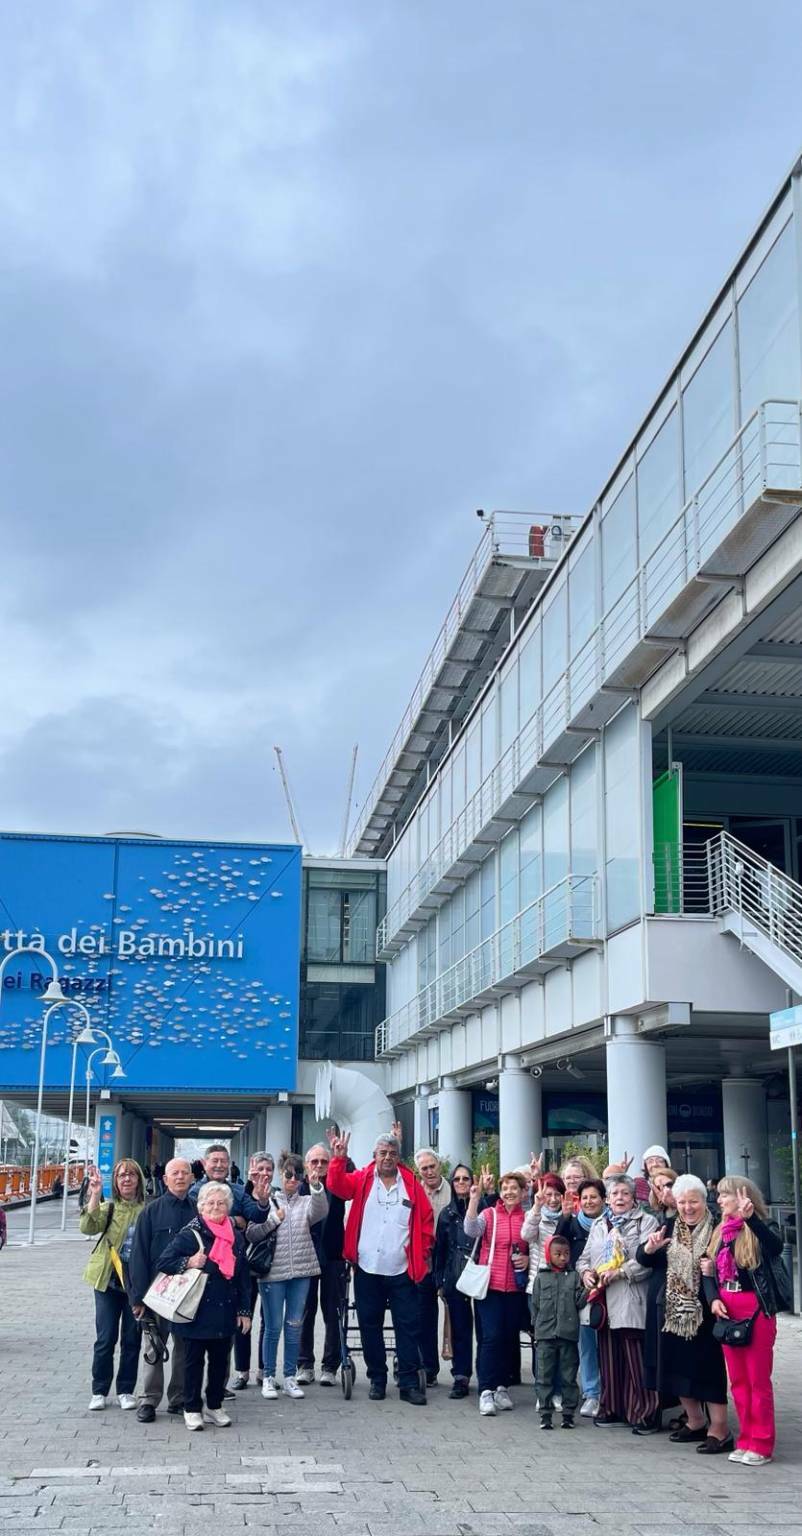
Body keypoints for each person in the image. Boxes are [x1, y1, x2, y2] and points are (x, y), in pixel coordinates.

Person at [327, 1129, 433, 1406]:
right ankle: (377, 1378)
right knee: (369, 1325)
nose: (388, 1157)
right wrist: (339, 1159)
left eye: (393, 1153)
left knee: (408, 1327)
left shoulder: (411, 1183)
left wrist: (422, 1253)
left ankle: (409, 1383)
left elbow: (426, 1222)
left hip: (402, 1269)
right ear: (374, 1156)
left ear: (399, 1157)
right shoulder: (362, 1179)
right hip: (367, 1269)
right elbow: (337, 1186)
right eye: (383, 1153)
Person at [637, 1173, 730, 1450]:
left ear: (705, 1201)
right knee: (676, 1367)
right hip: (672, 1313)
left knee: (708, 1370)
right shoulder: (668, 1226)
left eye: (694, 1202)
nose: (688, 1208)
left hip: (706, 1312)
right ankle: (695, 1421)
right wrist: (649, 1248)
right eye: (682, 1202)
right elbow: (644, 1259)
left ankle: (720, 1428)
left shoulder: (718, 1229)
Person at [701, 1176, 785, 1466]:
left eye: (725, 1195)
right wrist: (713, 1298)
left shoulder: (761, 1227)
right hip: (727, 1304)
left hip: (755, 1306)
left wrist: (752, 1221)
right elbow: (707, 1270)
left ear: (743, 1197)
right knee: (737, 1380)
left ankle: (761, 1443)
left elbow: (775, 1248)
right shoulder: (721, 1231)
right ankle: (746, 1439)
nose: (720, 1200)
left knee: (756, 1379)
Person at [158, 1180, 251, 1430]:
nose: (216, 1207)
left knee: (220, 1362)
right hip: (196, 1311)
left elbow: (243, 1277)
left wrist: (245, 1311)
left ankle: (214, 1405)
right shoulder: (191, 1233)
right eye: (210, 1203)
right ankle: (191, 1408)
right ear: (201, 1207)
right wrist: (189, 1261)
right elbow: (164, 1261)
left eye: (221, 1203)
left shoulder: (237, 1237)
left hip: (225, 1309)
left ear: (228, 1207)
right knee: (193, 1363)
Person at [576, 1173, 658, 1429]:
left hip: (631, 1297)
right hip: (603, 1301)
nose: (619, 1198)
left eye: (624, 1193)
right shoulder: (600, 1224)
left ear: (633, 1197)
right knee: (609, 1358)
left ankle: (645, 1412)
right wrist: (586, 1273)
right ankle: (612, 1407)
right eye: (614, 1194)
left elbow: (648, 1262)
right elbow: (583, 1258)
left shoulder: (646, 1222)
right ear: (607, 1199)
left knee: (635, 1360)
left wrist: (621, 1272)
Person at [245, 1152, 327, 1400]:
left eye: (297, 1175)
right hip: (272, 1274)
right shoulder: (269, 1200)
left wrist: (315, 1186)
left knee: (294, 1326)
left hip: (302, 1272)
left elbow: (321, 1210)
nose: (292, 1179)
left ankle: (290, 1376)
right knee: (272, 1327)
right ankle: (269, 1376)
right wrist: (272, 1221)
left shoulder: (306, 1202)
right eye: (288, 1174)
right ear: (282, 1174)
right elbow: (252, 1233)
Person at [127, 1156, 195, 1422]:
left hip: (188, 1292)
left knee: (184, 1348)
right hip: (156, 1293)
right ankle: (149, 1400)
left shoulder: (198, 1210)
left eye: (184, 1173)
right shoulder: (150, 1212)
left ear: (191, 1178)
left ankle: (178, 1398)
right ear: (165, 1180)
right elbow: (138, 1257)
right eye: (174, 1173)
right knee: (154, 1346)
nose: (180, 1177)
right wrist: (137, 1297)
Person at [79, 1159, 146, 1412]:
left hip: (135, 1286)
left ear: (139, 1179)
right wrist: (95, 1194)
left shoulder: (147, 1211)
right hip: (106, 1281)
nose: (127, 1179)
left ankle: (126, 1389)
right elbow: (87, 1226)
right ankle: (99, 1390)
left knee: (132, 1338)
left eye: (131, 1175)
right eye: (121, 1176)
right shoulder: (109, 1208)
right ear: (115, 1182)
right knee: (106, 1338)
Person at [464, 1170, 529, 1417]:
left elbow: (534, 1245)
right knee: (490, 1338)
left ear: (523, 1192)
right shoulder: (490, 1214)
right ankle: (486, 1390)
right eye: (505, 1188)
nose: (509, 1192)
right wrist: (474, 1198)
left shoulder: (527, 1217)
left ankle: (502, 1386)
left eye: (515, 1188)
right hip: (489, 1287)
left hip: (515, 1287)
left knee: (508, 1338)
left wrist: (526, 1258)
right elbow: (471, 1229)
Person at [296, 1141, 348, 1387]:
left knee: (333, 1313)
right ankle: (304, 1364)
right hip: (304, 1257)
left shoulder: (337, 1184)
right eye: (314, 1161)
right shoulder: (297, 1188)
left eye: (323, 1161)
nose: (319, 1166)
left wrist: (339, 1156)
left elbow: (350, 1169)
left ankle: (330, 1366)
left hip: (334, 1257)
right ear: (306, 1166)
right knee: (304, 1313)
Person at [556, 1176, 606, 1417]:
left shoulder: (612, 1223)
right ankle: (592, 1393)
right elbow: (556, 1244)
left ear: (603, 1199)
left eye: (593, 1197)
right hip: (583, 1292)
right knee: (586, 1344)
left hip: (610, 1289)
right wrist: (565, 1217)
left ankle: (612, 1392)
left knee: (608, 1345)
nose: (589, 1201)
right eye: (584, 1197)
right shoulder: (574, 1224)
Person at [434, 1163, 481, 1400]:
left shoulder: (485, 1208)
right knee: (460, 1329)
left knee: (485, 1329)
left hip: (482, 1274)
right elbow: (440, 1250)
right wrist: (439, 1280)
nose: (462, 1183)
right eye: (457, 1179)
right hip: (455, 1276)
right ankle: (461, 1376)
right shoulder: (447, 1214)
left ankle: (487, 1375)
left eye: (466, 1179)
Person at [531, 1233, 585, 1429]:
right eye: (558, 1254)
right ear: (548, 1254)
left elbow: (579, 1301)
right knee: (544, 1375)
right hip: (545, 1335)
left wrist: (589, 1289)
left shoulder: (573, 1277)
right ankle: (545, 1414)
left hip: (568, 1335)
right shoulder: (540, 1278)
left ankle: (568, 1413)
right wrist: (536, 1329)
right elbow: (535, 1305)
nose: (563, 1258)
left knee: (568, 1376)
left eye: (566, 1254)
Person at [231, 1150, 275, 1389]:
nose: (264, 1174)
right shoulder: (238, 1192)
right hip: (242, 1266)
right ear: (251, 1168)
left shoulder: (275, 1195)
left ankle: (264, 1370)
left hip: (268, 1265)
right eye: (260, 1169)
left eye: (269, 1169)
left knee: (268, 1320)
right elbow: (234, 1217)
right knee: (242, 1318)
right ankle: (242, 1372)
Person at [414, 1147, 452, 1386]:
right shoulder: (414, 1190)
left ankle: (460, 1371)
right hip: (424, 1263)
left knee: (455, 1317)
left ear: (439, 1166)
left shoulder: (452, 1190)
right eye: (424, 1168)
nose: (429, 1171)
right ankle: (428, 1368)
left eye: (432, 1166)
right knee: (424, 1317)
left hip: (449, 1261)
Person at [189, 1143, 271, 1229]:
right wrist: (233, 1221)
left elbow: (257, 1217)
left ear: (228, 1163)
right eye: (215, 1161)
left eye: (223, 1161)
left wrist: (263, 1201)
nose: (219, 1165)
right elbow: (195, 1222)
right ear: (204, 1164)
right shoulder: (195, 1193)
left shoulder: (239, 1191)